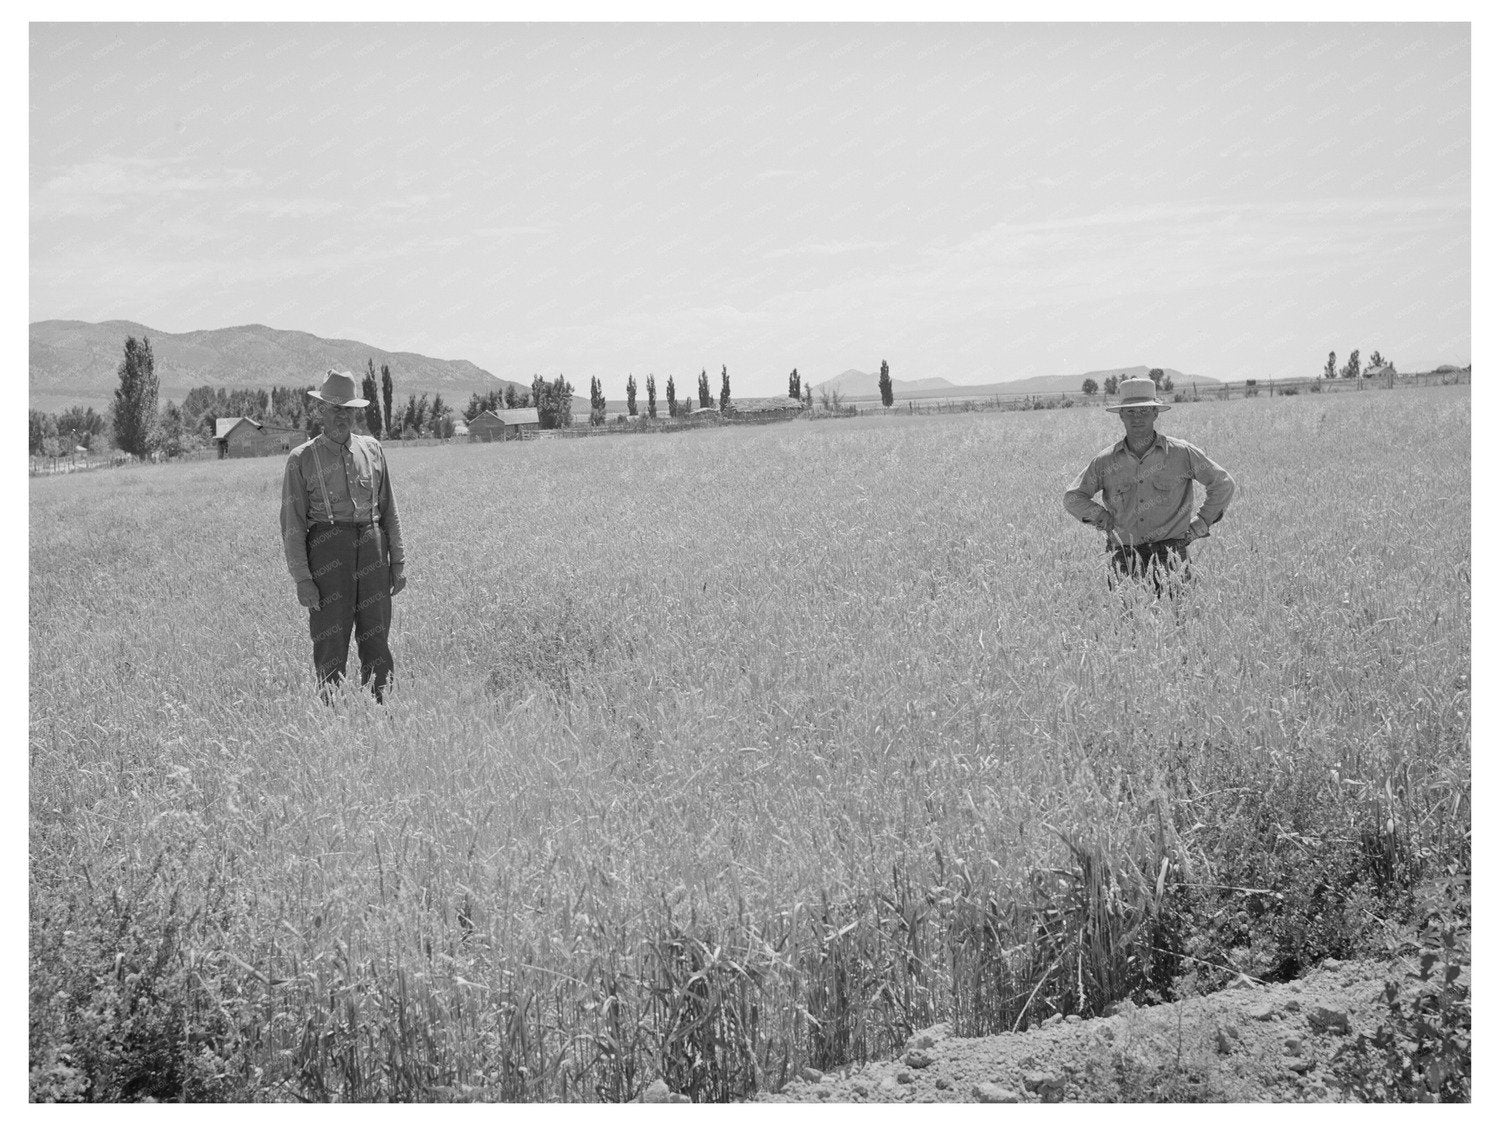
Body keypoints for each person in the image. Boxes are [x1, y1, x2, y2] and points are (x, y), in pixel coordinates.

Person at [280, 369, 407, 701]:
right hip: (327, 551)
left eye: (348, 409)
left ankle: (382, 709)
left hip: (372, 547)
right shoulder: (302, 459)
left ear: (356, 413)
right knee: (330, 638)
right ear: (321, 410)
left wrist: (398, 561)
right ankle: (331, 715)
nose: (342, 416)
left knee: (376, 637)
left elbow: (389, 508)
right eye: (335, 408)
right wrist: (302, 578)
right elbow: (292, 524)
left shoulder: (374, 450)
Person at [1064, 375, 1234, 594]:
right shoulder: (1105, 461)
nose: (1138, 417)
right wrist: (1099, 514)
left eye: (1144, 410)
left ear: (1155, 413)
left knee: (1178, 619)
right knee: (1128, 623)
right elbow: (1072, 497)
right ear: (1121, 416)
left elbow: (1223, 483)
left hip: (1172, 554)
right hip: (1124, 557)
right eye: (1131, 411)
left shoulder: (1181, 453)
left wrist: (1200, 525)